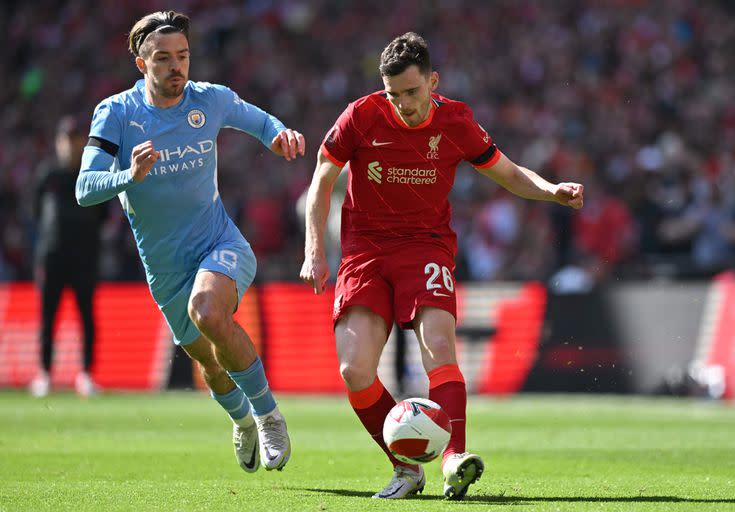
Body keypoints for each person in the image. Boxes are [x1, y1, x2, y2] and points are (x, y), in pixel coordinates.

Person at [300, 32, 584, 500]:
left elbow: (509, 173)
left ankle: (453, 458)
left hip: (425, 246)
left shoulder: (456, 121)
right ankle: (406, 467)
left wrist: (551, 189)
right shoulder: (361, 115)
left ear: (433, 81)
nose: (404, 105)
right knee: (354, 370)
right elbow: (321, 180)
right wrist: (314, 249)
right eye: (394, 95)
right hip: (364, 250)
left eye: (412, 93)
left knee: (439, 346)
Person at [76, 10, 304, 473]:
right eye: (162, 58)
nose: (176, 66)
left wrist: (281, 136)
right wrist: (127, 176)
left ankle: (268, 415)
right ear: (141, 64)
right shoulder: (116, 113)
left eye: (182, 55)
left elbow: (262, 123)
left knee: (208, 311)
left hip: (218, 242)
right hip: (164, 268)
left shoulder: (211, 100)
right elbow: (84, 188)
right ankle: (241, 419)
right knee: (210, 363)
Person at [29, 115, 109, 398]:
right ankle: (44, 374)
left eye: (75, 139)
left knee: (86, 317)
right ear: (58, 142)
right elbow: (37, 213)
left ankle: (86, 374)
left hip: (84, 258)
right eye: (66, 139)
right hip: (52, 257)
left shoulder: (91, 176)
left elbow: (103, 216)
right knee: (48, 317)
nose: (70, 145)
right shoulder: (48, 175)